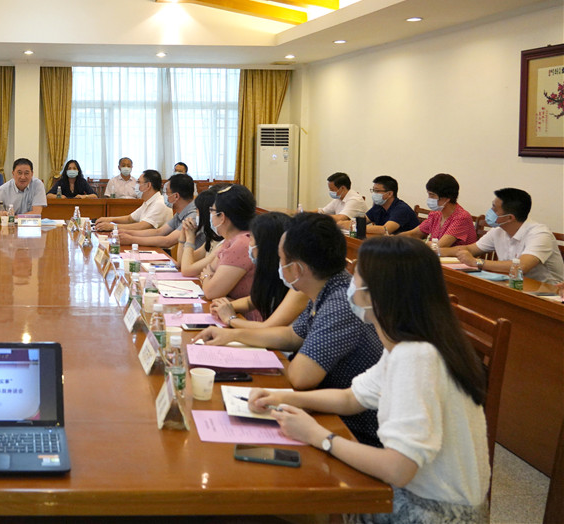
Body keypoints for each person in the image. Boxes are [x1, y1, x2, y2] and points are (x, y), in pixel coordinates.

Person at [249, 236, 490, 523]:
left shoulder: (416, 356)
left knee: (279, 498)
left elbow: (398, 469)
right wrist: (283, 397)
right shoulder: (411, 344)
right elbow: (351, 397)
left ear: (379, 292)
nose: (351, 283)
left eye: (357, 276)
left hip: (431, 511)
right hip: (420, 497)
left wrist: (317, 436)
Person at [196, 213, 382, 446]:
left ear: (296, 269)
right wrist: (230, 334)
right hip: (324, 412)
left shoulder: (340, 303)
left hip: (353, 431)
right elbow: (291, 335)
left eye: (281, 259)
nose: (278, 265)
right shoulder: (327, 286)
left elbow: (300, 377)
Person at [211, 211, 310, 329]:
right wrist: (223, 307)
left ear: (266, 247)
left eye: (251, 239)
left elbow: (268, 328)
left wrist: (230, 319)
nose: (249, 246)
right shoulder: (272, 273)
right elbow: (252, 301)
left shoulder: (299, 285)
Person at [446, 187, 564, 285]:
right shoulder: (499, 230)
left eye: (494, 209)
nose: (490, 211)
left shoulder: (540, 234)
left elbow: (521, 266)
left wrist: (477, 262)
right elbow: (470, 249)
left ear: (509, 217)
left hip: (549, 294)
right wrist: (437, 250)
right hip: (512, 285)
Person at [176, 184, 256, 300]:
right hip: (226, 306)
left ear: (222, 217)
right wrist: (208, 276)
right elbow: (205, 271)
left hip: (238, 310)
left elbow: (210, 292)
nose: (210, 216)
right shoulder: (230, 240)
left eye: (212, 211)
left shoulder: (241, 244)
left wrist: (206, 276)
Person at [399, 173, 476, 247]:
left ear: (447, 198)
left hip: (455, 256)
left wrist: (419, 242)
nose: (429, 198)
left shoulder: (462, 217)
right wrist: (394, 239)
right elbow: (414, 234)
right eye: (428, 194)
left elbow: (440, 246)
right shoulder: (436, 214)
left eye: (432, 195)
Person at [119, 173, 196, 248]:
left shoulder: (193, 216)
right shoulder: (180, 213)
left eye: (166, 192)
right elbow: (159, 232)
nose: (164, 195)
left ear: (176, 196)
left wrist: (131, 239)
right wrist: (126, 232)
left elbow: (168, 241)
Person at [95, 169, 171, 232]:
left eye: (139, 182)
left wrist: (113, 227)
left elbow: (142, 226)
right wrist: (108, 219)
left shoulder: (159, 203)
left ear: (148, 185)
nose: (136, 186)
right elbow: (130, 218)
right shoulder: (148, 202)